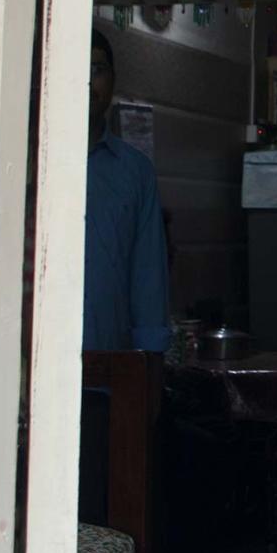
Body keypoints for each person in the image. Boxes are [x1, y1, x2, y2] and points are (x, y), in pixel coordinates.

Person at [85, 26, 171, 353]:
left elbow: (147, 278)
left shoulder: (134, 172)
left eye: (97, 70)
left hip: (108, 372)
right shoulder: (26, 163)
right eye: (77, 66)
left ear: (112, 80)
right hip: (30, 375)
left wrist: (149, 364)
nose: (88, 81)